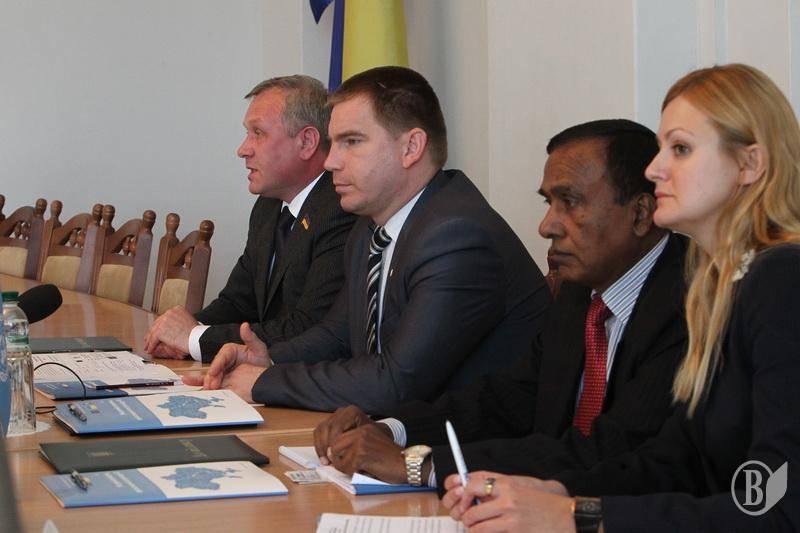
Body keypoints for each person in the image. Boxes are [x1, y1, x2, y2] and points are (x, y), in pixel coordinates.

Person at [443, 64, 800, 532]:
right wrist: (555, 492)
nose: (654, 169)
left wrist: (577, 517)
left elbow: (777, 509)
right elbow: (675, 462)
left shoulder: (782, 279)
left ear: (749, 165)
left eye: (681, 149)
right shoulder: (718, 285)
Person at [311, 119, 690, 490]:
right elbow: (507, 400)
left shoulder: (688, 306)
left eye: (571, 202)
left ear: (641, 213)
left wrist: (418, 465)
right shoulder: (580, 292)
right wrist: (390, 428)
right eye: (550, 202)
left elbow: (610, 452)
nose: (547, 226)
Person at [184, 66, 550, 412]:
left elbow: (395, 382)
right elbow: (338, 335)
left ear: (411, 147)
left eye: (352, 142)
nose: (331, 162)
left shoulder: (456, 236)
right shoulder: (369, 228)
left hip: (470, 447)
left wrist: (265, 381)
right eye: (334, 143)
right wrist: (268, 358)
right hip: (394, 431)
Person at [144, 75, 356, 362]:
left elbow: (308, 328)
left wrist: (194, 338)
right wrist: (180, 334)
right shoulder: (268, 207)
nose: (242, 149)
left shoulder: (340, 210)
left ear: (307, 142)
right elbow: (238, 302)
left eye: (258, 133)